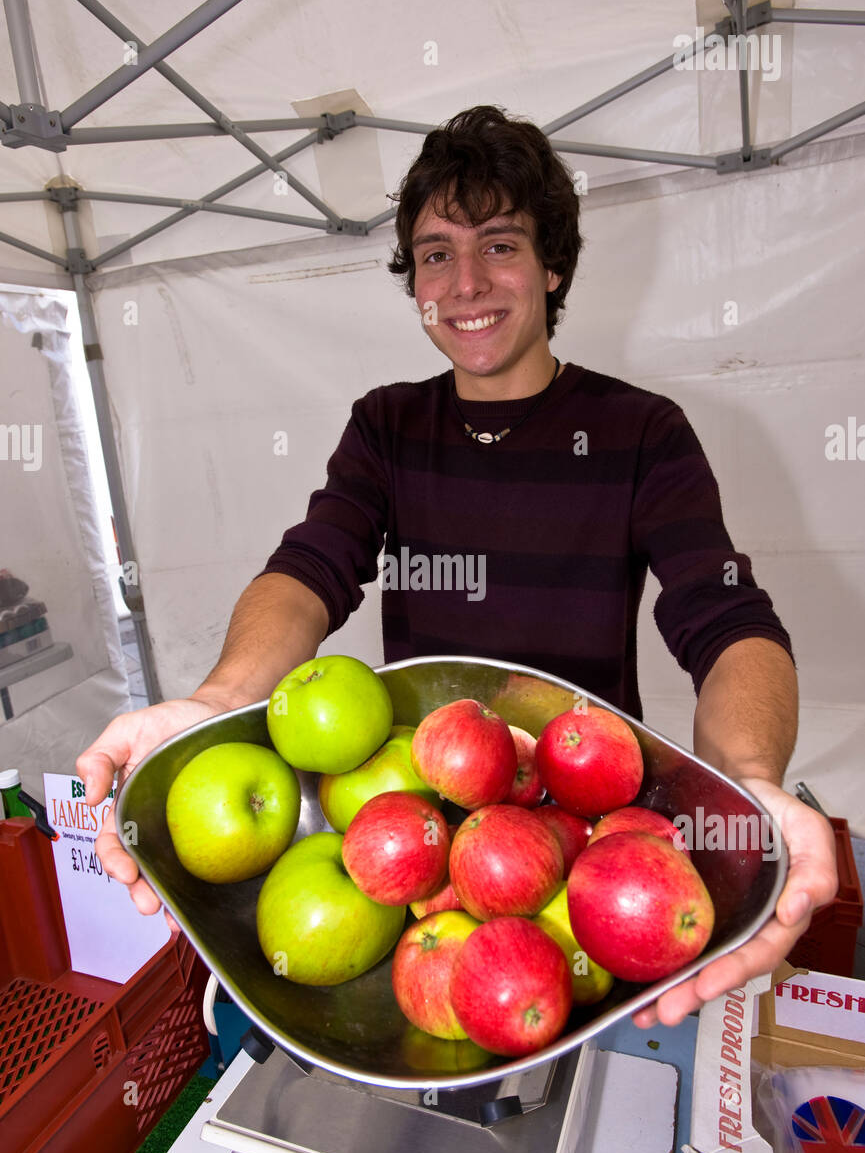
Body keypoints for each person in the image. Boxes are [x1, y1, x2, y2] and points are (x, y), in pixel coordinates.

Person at [79, 105, 837, 1030]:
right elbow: (310, 569)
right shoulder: (388, 425)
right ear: (414, 283)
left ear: (552, 267)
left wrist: (748, 782)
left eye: (500, 245)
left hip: (582, 836)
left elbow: (723, 621)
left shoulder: (641, 433)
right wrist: (212, 701)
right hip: (422, 838)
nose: (467, 281)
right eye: (436, 253)